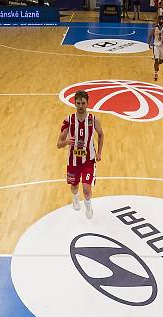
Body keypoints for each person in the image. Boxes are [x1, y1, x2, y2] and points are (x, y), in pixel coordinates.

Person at [57, 90, 104, 220]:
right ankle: (75, 199)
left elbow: (101, 134)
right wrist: (66, 141)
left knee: (87, 188)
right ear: (75, 103)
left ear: (87, 103)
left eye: (83, 103)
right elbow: (59, 144)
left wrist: (99, 152)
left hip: (89, 160)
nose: (81, 105)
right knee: (74, 185)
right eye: (78, 103)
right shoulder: (69, 120)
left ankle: (88, 206)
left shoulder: (93, 119)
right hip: (73, 161)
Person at [149, 15, 163, 81]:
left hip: (162, 46)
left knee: (161, 61)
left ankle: (156, 64)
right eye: (160, 19)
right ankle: (156, 73)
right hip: (156, 45)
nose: (161, 20)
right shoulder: (155, 27)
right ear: (158, 20)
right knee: (156, 60)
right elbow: (151, 35)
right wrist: (149, 43)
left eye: (162, 20)